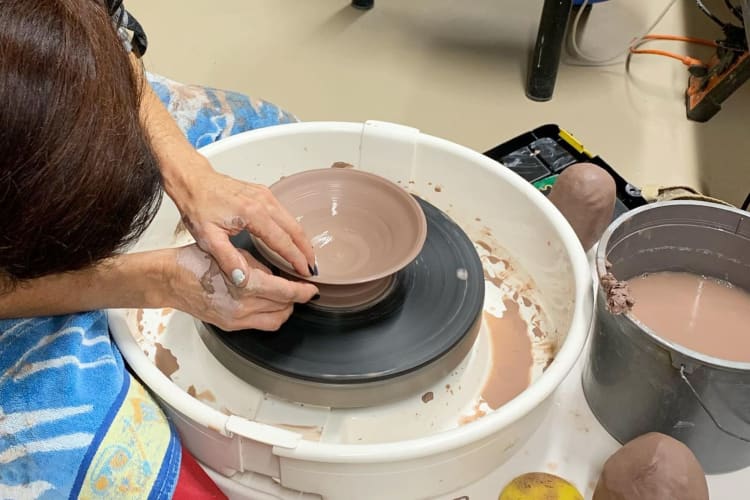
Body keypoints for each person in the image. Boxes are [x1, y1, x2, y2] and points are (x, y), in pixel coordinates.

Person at [0, 0, 318, 497]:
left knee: (278, 132)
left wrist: (191, 175)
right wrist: (154, 279)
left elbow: (111, 37)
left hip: (33, 87)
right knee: (118, 472)